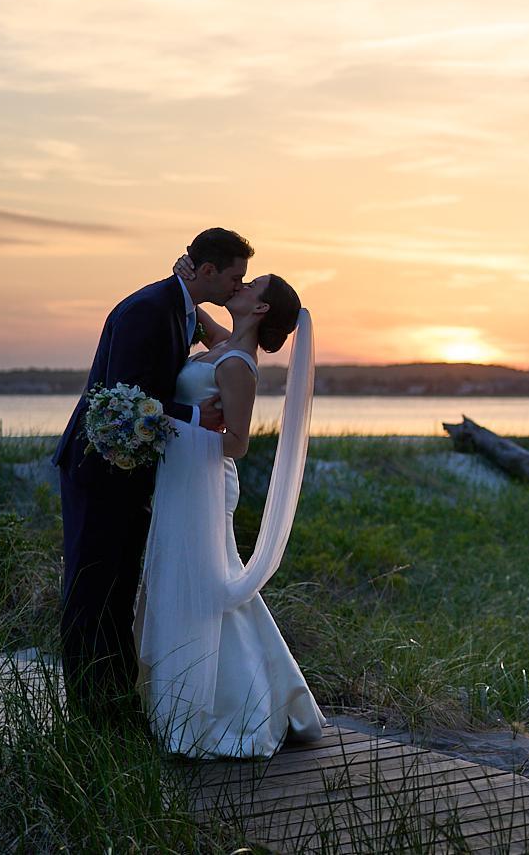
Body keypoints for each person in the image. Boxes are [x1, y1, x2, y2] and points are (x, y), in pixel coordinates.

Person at [53, 228, 248, 725]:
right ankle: (87, 712)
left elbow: (229, 345)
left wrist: (201, 304)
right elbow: (123, 396)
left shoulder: (183, 309)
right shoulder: (149, 309)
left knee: (118, 593)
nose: (237, 287)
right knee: (91, 590)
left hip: (132, 470)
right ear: (208, 271)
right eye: (234, 277)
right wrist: (193, 415)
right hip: (99, 467)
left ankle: (114, 704)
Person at [139, 268, 325, 757]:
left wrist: (177, 430)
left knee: (206, 581)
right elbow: (196, 312)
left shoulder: (239, 364)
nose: (240, 286)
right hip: (183, 478)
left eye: (251, 285)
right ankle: (246, 689)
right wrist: (184, 276)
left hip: (205, 482)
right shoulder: (225, 344)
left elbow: (237, 443)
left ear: (260, 308)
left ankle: (235, 707)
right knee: (193, 579)